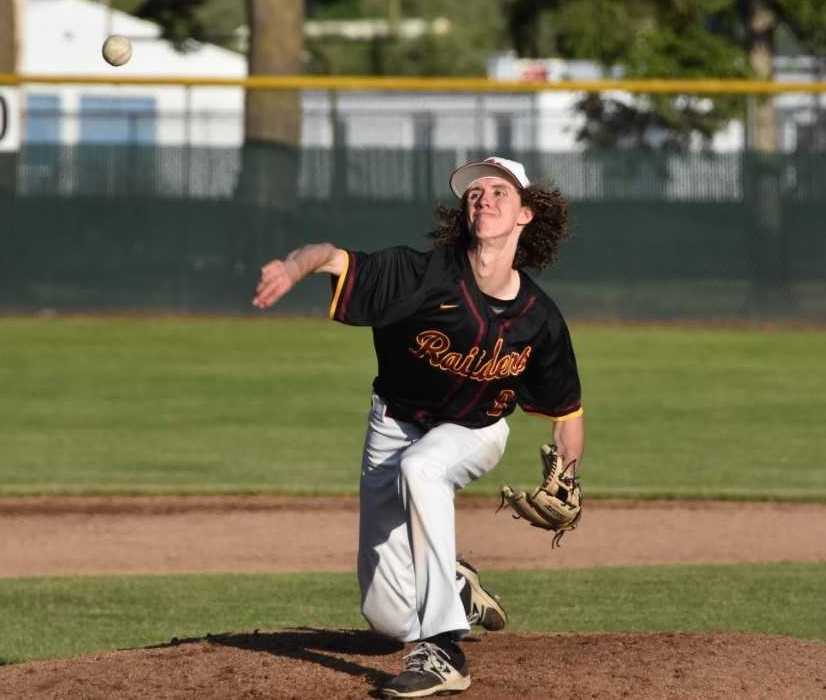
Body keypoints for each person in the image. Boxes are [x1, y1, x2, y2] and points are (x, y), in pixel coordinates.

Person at [252, 156, 585, 698]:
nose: (483, 198)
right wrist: (293, 268)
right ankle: (454, 585)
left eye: (499, 191)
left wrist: (567, 478)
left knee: (424, 466)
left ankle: (443, 650)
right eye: (474, 192)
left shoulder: (538, 318)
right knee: (385, 616)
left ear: (526, 213)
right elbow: (332, 258)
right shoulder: (420, 275)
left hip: (475, 431)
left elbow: (567, 414)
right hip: (394, 424)